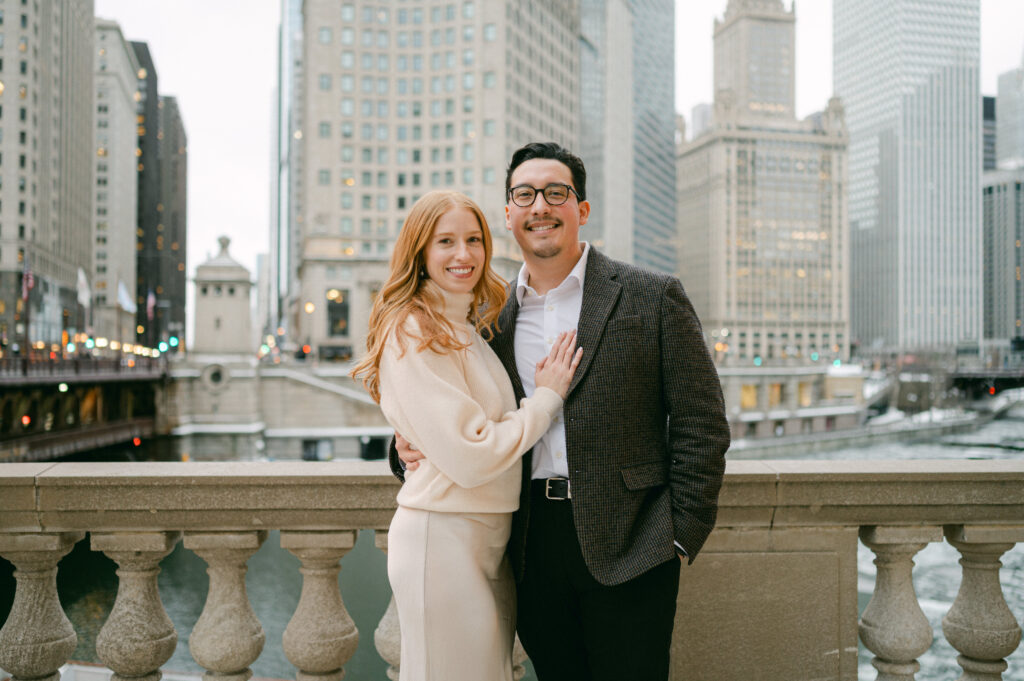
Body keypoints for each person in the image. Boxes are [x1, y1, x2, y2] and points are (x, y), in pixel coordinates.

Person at [393, 142, 731, 681]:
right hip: (528, 543)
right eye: (524, 195)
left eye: (557, 193)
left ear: (582, 209)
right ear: (508, 214)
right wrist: (402, 445)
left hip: (632, 541)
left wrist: (679, 533)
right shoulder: (489, 317)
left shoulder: (652, 295)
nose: (540, 206)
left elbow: (702, 423)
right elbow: (447, 406)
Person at [351, 190, 583, 681]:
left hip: (484, 540)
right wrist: (546, 399)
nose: (464, 254)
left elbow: (452, 432)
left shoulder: (465, 328)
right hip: (444, 539)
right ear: (420, 252)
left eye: (474, 239)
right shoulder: (412, 328)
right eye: (446, 241)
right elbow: (471, 454)